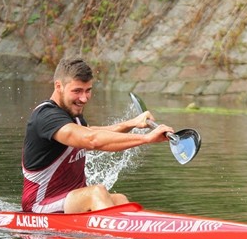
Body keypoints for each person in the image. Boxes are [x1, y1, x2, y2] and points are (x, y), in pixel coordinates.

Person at [21, 57, 174, 213]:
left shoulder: (73, 116)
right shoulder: (46, 117)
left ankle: (138, 234)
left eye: (88, 90)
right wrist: (146, 138)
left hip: (70, 201)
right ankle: (113, 235)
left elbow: (93, 132)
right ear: (58, 86)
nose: (84, 98)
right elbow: (92, 140)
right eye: (77, 91)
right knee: (97, 192)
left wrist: (132, 123)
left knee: (119, 199)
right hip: (38, 207)